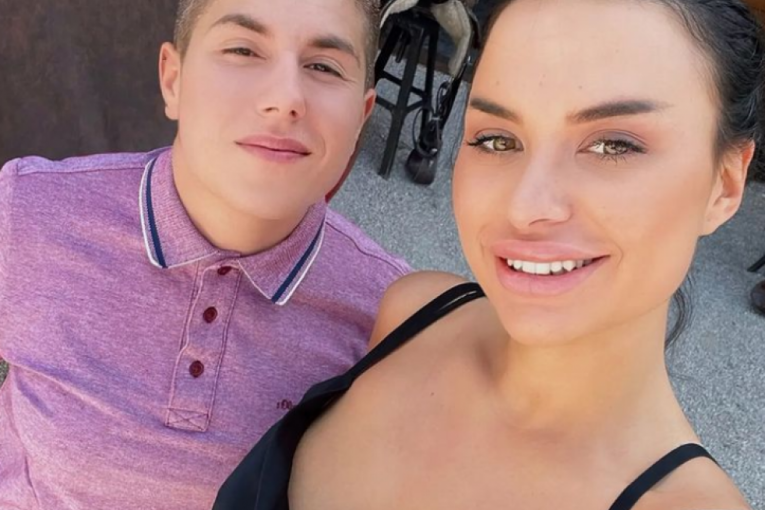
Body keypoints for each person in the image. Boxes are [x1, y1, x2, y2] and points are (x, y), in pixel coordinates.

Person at [213, 0, 762, 508]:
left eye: (613, 145)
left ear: (725, 184)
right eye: (497, 139)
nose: (525, 206)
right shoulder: (413, 312)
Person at [0, 0, 409, 508]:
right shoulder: (29, 212)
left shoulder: (389, 316)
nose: (285, 99)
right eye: (243, 50)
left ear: (361, 118)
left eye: (324, 67)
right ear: (173, 80)